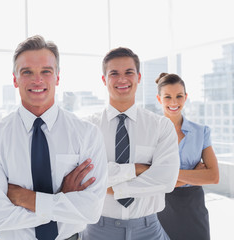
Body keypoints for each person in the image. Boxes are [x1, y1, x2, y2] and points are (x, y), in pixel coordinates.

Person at [0, 35, 108, 240]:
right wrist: (62, 200)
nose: (37, 80)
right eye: (27, 72)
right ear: (15, 79)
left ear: (57, 77)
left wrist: (26, 198)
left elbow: (91, 210)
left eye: (46, 71)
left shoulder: (87, 134)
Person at [82, 47, 180, 240]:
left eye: (129, 72)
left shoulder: (161, 126)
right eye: (114, 74)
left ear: (139, 77)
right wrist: (138, 169)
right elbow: (85, 177)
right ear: (104, 80)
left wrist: (108, 187)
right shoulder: (87, 127)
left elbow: (166, 180)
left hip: (149, 229)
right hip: (98, 229)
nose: (122, 79)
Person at [155, 72, 219, 240]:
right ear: (159, 98)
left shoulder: (201, 132)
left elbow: (213, 176)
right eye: (167, 97)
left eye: (179, 96)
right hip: (161, 208)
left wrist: (166, 176)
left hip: (194, 208)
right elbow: (152, 181)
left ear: (186, 97)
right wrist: (196, 174)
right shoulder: (151, 135)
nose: (174, 102)